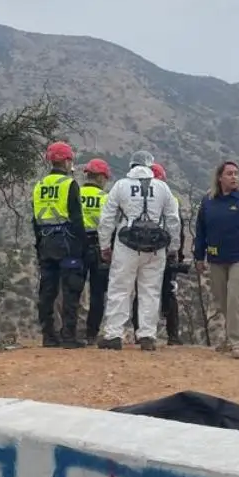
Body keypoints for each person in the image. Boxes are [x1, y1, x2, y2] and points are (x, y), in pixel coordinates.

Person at [96, 150, 181, 351]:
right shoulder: (162, 188)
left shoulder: (120, 186)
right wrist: (173, 247)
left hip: (126, 245)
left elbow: (107, 218)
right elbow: (173, 220)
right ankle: (147, 336)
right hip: (155, 247)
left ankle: (114, 334)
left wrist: (104, 245)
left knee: (120, 288)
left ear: (131, 166)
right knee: (150, 290)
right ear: (150, 166)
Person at [192, 160, 239, 358]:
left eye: (236, 173)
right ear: (220, 178)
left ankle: (238, 342)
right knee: (222, 300)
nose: (234, 177)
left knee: (235, 297)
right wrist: (199, 256)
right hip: (216, 257)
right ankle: (228, 338)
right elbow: (201, 231)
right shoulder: (208, 201)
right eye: (229, 174)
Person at [32, 141, 87, 348]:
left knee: (47, 291)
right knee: (70, 290)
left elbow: (35, 219)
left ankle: (48, 335)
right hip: (68, 243)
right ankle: (68, 336)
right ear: (66, 161)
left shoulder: (39, 186)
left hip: (46, 243)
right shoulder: (69, 185)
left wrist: (38, 246)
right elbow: (77, 218)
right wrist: (82, 248)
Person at [131, 162, 184, 345]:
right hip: (164, 252)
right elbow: (177, 227)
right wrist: (176, 253)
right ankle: (173, 336)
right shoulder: (170, 199)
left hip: (140, 251)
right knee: (167, 292)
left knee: (143, 292)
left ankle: (141, 333)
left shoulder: (137, 200)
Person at [79, 158, 112, 345]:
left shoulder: (75, 194)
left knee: (74, 289)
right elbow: (110, 225)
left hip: (78, 246)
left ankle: (72, 330)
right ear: (100, 177)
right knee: (97, 293)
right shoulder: (105, 198)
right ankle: (91, 333)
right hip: (99, 247)